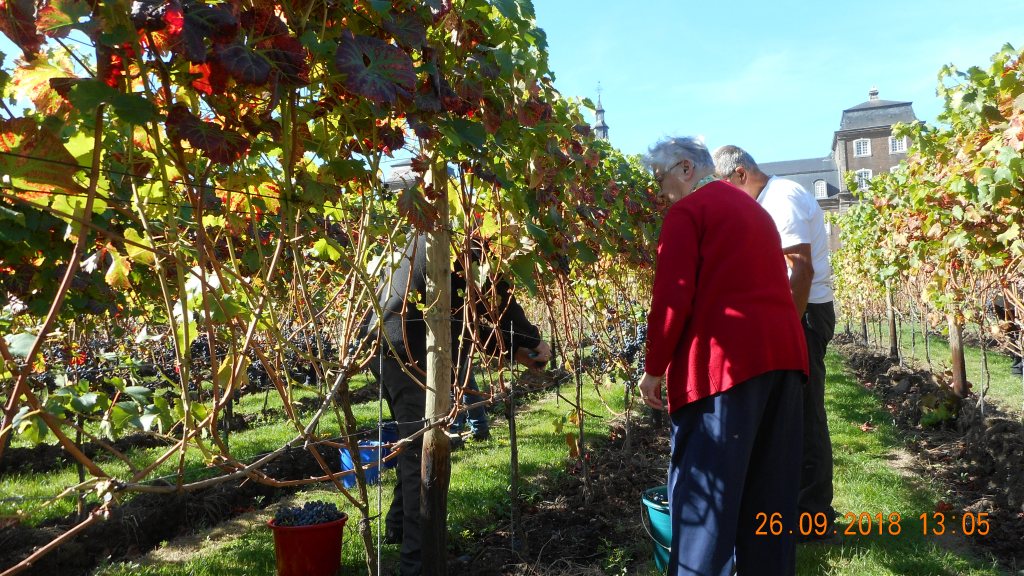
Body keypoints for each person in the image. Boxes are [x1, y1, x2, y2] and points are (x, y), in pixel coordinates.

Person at [638, 137, 808, 576]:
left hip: (726, 369)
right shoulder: (755, 211)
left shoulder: (687, 213)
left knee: (705, 504)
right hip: (785, 362)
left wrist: (654, 370)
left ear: (685, 169)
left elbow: (672, 302)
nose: (659, 192)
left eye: (660, 179)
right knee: (768, 500)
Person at [366, 232, 551, 576]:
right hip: (413, 347)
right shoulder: (457, 234)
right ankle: (418, 564)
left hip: (390, 343)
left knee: (411, 445)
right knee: (422, 451)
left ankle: (399, 528)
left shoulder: (423, 231)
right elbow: (495, 298)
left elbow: (465, 318)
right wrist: (532, 340)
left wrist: (512, 350)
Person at [713, 145, 838, 537]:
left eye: (726, 187)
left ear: (738, 174)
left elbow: (800, 269)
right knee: (791, 411)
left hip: (804, 316)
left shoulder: (781, 199)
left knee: (806, 411)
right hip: (795, 315)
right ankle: (793, 507)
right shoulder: (768, 199)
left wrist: (787, 325)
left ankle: (814, 517)